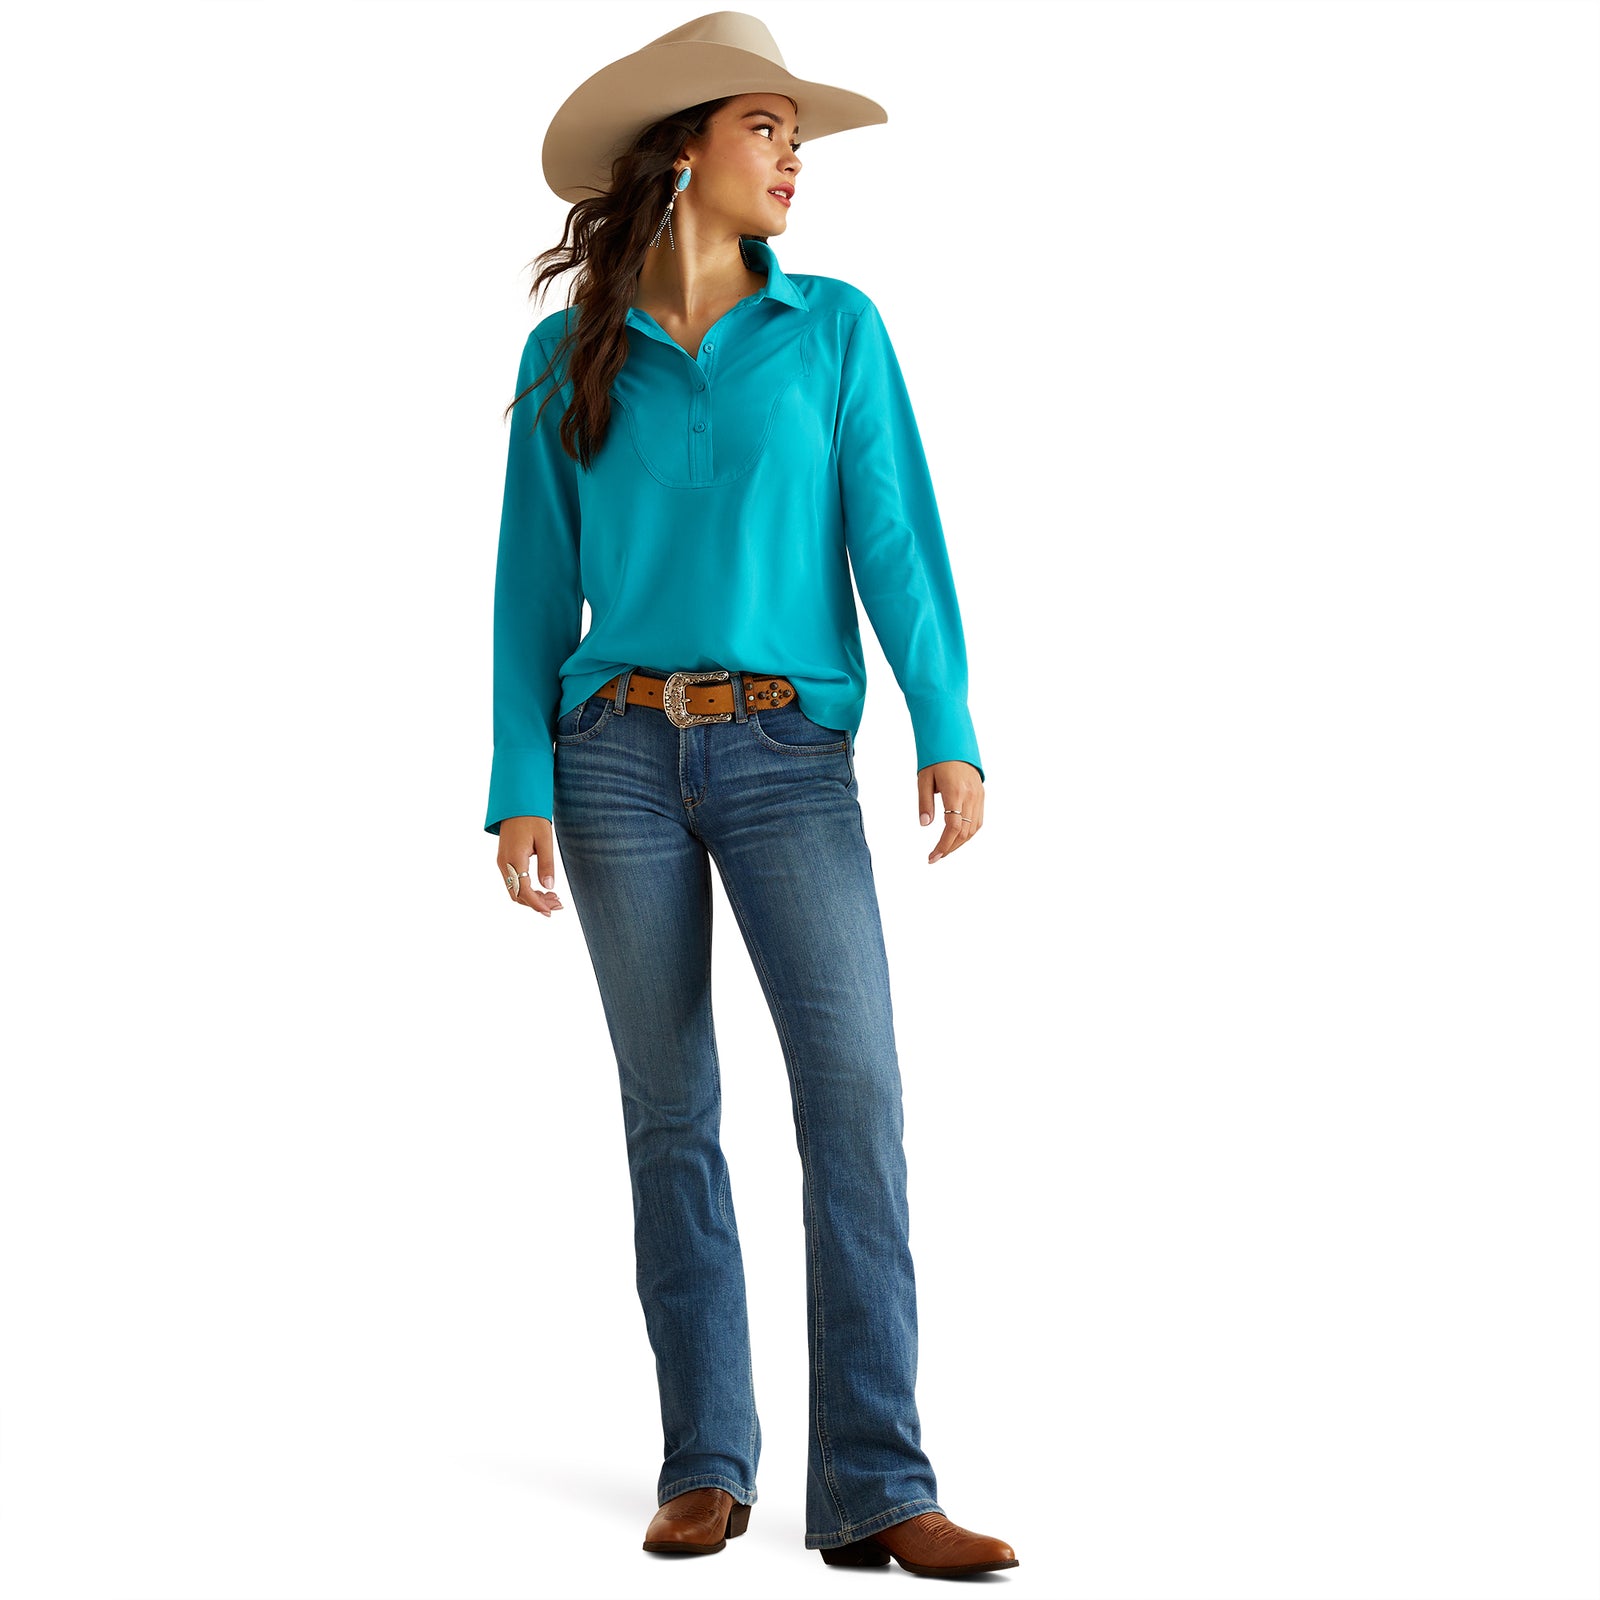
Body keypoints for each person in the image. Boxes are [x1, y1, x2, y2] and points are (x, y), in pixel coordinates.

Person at [485, 11, 1017, 1580]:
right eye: (765, 128)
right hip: (613, 760)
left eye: (795, 134)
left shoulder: (835, 329)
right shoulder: (568, 354)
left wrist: (947, 723)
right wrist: (519, 776)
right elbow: (532, 585)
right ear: (682, 153)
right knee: (672, 1117)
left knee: (855, 1102)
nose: (794, 159)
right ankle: (705, 1462)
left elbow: (895, 537)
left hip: (788, 757)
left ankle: (877, 1485)